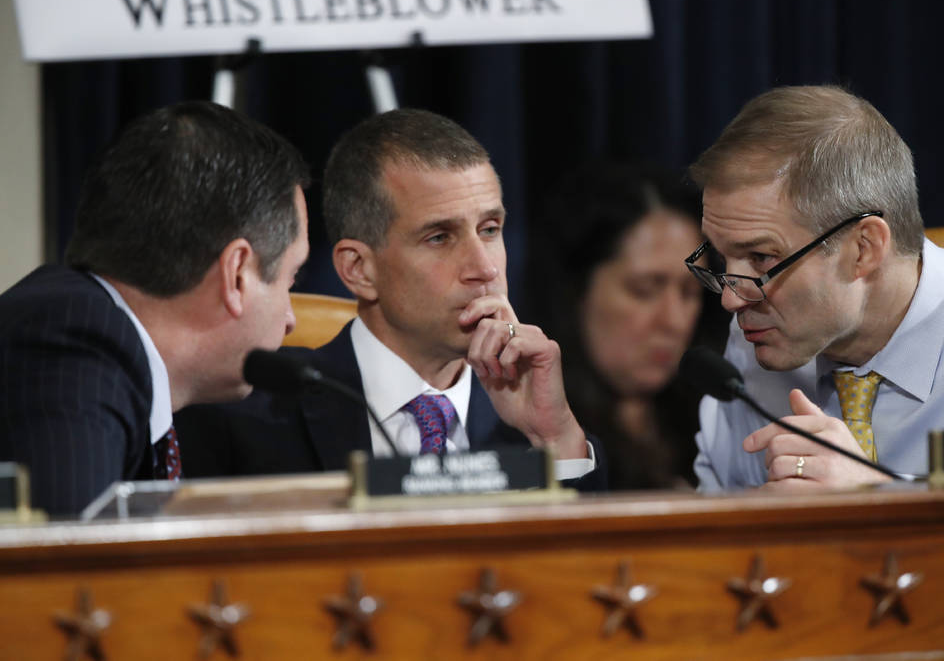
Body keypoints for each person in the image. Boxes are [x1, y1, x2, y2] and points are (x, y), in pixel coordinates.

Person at [176, 108, 604, 490]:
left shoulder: (545, 421)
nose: (485, 268)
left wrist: (554, 439)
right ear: (359, 270)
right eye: (439, 237)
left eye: (490, 230)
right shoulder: (247, 421)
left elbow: (591, 575)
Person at [688, 85, 944, 492]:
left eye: (761, 259)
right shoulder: (754, 341)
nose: (731, 298)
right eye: (721, 260)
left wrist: (876, 500)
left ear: (863, 249)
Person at [0, 101, 310, 515]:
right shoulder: (71, 343)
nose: (292, 320)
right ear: (236, 274)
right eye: (290, 279)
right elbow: (75, 571)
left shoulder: (86, 328)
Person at [528, 161, 729, 490]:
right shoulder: (531, 432)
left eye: (690, 292)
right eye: (645, 290)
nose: (674, 321)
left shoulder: (720, 423)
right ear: (579, 292)